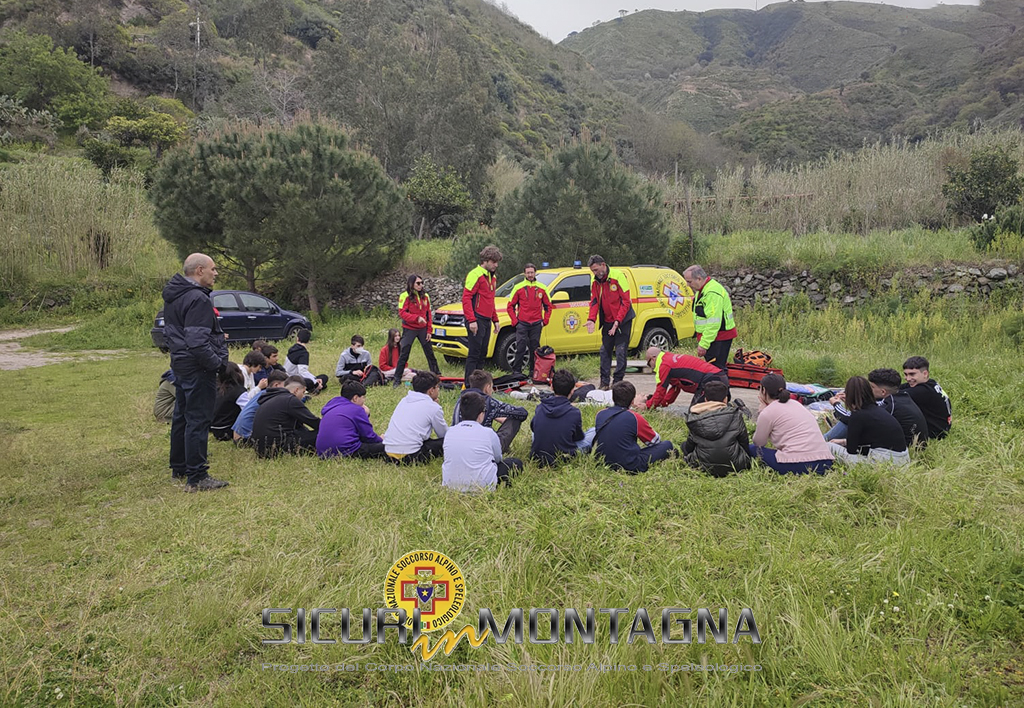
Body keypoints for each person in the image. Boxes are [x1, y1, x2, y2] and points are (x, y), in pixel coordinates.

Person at [163, 253, 230, 492]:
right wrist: (218, 364)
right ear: (200, 270)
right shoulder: (197, 299)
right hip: (197, 367)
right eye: (213, 269)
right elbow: (197, 341)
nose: (216, 273)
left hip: (180, 364)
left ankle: (180, 466)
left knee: (182, 416)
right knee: (198, 420)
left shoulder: (175, 295)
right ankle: (197, 476)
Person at [749, 373, 833, 475]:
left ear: (763, 390)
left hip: (798, 464)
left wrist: (761, 412)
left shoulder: (767, 412)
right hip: (825, 463)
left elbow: (759, 443)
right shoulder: (797, 404)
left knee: (752, 449)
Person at [443, 392, 523, 491]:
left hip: (450, 486)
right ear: (481, 414)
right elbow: (497, 458)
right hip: (482, 487)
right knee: (515, 463)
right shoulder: (488, 433)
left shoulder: (450, 432)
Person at [593, 381, 674, 474]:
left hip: (603, 462)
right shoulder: (635, 417)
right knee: (667, 445)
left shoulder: (600, 413)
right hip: (630, 465)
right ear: (632, 401)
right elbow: (655, 441)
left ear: (613, 397)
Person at [827, 376, 910, 466]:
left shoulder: (858, 415)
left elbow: (851, 450)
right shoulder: (878, 410)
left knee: (827, 446)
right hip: (902, 461)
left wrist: (846, 443)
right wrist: (844, 442)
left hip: (884, 463)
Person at [683, 380, 751, 477]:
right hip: (735, 465)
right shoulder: (735, 415)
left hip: (702, 467)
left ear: (705, 399)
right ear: (725, 399)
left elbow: (690, 446)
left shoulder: (694, 418)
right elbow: (744, 441)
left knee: (683, 446)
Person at [586, 255, 635, 389]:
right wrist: (591, 319)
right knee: (604, 351)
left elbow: (626, 301)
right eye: (592, 271)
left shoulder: (618, 276)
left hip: (622, 320)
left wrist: (617, 321)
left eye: (596, 270)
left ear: (603, 264)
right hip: (607, 320)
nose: (595, 273)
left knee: (620, 351)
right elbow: (594, 301)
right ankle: (604, 382)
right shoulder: (594, 280)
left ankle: (617, 382)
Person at [452, 369, 528, 453]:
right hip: (482, 448)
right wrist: (498, 414)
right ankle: (501, 448)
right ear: (488, 388)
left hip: (457, 444)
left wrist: (494, 415)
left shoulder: (461, 399)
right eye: (492, 387)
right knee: (515, 418)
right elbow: (522, 412)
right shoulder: (489, 402)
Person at [529, 369, 595, 465]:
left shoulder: (540, 407)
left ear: (551, 387)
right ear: (572, 390)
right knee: (594, 431)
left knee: (537, 430)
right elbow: (578, 437)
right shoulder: (574, 412)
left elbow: (533, 428)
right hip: (564, 456)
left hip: (539, 455)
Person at [382, 371, 448, 463]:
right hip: (411, 456)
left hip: (388, 453)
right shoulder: (433, 407)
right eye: (437, 387)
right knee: (450, 441)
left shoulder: (404, 400)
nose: (439, 390)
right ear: (431, 390)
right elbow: (444, 434)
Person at [251, 376, 321, 458]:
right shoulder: (290, 400)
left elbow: (299, 426)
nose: (303, 396)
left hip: (260, 449)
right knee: (323, 435)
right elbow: (314, 422)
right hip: (278, 448)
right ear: (296, 390)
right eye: (303, 392)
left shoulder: (271, 398)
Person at [682, 265, 736, 369]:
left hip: (718, 337)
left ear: (699, 278)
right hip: (713, 337)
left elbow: (713, 322)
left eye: (689, 282)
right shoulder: (703, 290)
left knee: (716, 370)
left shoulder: (711, 293)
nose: (688, 285)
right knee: (714, 369)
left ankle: (720, 385)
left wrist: (704, 344)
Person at [462, 245, 503, 381]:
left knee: (483, 352)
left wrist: (495, 320)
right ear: (485, 260)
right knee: (474, 353)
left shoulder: (493, 277)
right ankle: (468, 384)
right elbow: (466, 298)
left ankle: (478, 382)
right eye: (493, 262)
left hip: (486, 319)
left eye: (497, 262)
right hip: (476, 318)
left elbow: (490, 301)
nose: (496, 265)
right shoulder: (475, 274)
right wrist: (471, 320)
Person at [317, 380, 387, 459]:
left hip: (322, 452)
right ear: (355, 398)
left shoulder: (331, 406)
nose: (364, 401)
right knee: (387, 447)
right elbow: (368, 436)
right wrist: (381, 439)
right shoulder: (357, 410)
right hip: (346, 450)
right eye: (363, 397)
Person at [644, 347, 730, 410]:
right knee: (718, 409)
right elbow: (675, 388)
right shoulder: (669, 359)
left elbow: (660, 391)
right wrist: (663, 403)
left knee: (696, 413)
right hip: (720, 377)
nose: (651, 367)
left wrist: (647, 407)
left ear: (653, 358)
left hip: (711, 380)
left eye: (649, 364)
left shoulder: (664, 366)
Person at [393, 274, 441, 386]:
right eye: (418, 283)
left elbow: (428, 314)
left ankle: (436, 374)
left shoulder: (426, 296)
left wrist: (429, 330)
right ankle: (397, 379)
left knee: (429, 352)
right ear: (411, 284)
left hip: (423, 328)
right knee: (404, 353)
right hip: (409, 328)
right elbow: (402, 313)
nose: (421, 285)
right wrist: (416, 318)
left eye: (422, 283)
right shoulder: (404, 296)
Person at [507, 263, 551, 376]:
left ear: (535, 273)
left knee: (534, 349)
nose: (530, 274)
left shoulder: (542, 288)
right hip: (522, 323)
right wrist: (515, 321)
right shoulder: (518, 287)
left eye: (532, 272)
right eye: (528, 273)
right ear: (524, 274)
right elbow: (510, 306)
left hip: (536, 323)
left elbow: (548, 306)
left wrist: (545, 321)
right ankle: (517, 372)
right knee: (520, 347)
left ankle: (533, 372)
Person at [901, 356, 952, 440]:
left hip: (935, 433)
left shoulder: (923, 391)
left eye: (912, 374)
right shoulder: (931, 383)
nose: (908, 378)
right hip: (943, 426)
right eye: (906, 374)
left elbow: (893, 396)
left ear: (925, 373)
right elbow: (897, 388)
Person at [233, 370, 289, 444]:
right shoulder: (271, 398)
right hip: (245, 438)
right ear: (276, 385)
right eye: (286, 386)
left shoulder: (263, 393)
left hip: (238, 434)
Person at [211, 362, 247, 441]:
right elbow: (247, 410)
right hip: (227, 429)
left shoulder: (215, 387)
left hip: (212, 427)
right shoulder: (238, 391)